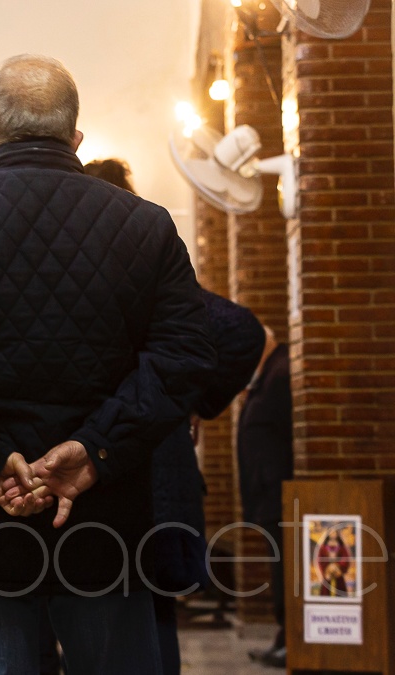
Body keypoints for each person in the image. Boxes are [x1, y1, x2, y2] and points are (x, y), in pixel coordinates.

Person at [0, 54, 215, 674]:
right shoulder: (146, 226)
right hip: (103, 518)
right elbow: (185, 355)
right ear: (76, 139)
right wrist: (94, 452)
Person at [82, 158, 266, 675]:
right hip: (156, 459)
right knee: (153, 615)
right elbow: (240, 331)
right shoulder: (149, 268)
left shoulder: (99, 274)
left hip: (112, 467)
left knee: (105, 614)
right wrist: (187, 399)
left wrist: (191, 398)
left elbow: (240, 331)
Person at [237, 326, 293, 668]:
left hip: (281, 496)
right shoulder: (266, 376)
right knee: (281, 568)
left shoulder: (280, 373)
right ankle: (284, 638)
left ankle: (290, 640)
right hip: (269, 496)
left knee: (287, 570)